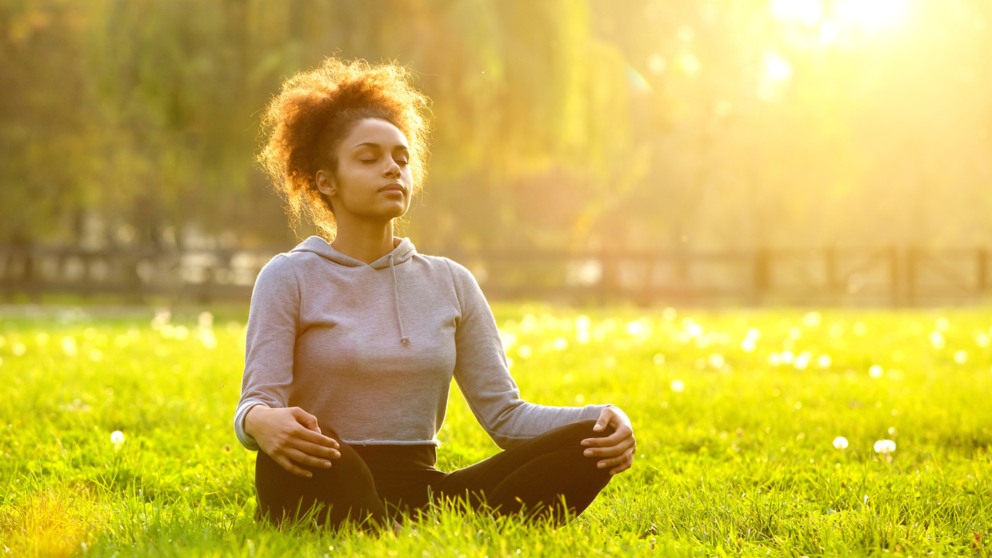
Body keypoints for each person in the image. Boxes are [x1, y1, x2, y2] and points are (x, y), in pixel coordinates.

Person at [234, 57, 636, 530]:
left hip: (423, 490)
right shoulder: (289, 276)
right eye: (369, 158)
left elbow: (506, 416)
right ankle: (380, 523)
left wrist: (604, 418)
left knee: (590, 442)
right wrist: (261, 423)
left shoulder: (451, 282)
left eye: (401, 159)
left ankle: (390, 526)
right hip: (323, 470)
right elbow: (256, 402)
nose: (392, 169)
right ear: (327, 180)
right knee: (330, 463)